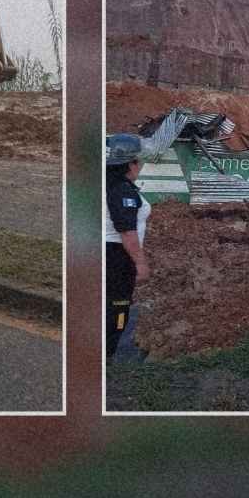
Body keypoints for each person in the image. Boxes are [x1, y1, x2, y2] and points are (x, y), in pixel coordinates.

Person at [105, 132, 151, 357]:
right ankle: (110, 354)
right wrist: (140, 263)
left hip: (106, 252)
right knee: (118, 305)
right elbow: (127, 232)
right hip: (118, 256)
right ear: (129, 164)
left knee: (105, 302)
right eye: (137, 160)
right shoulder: (121, 191)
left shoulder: (106, 183)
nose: (140, 165)